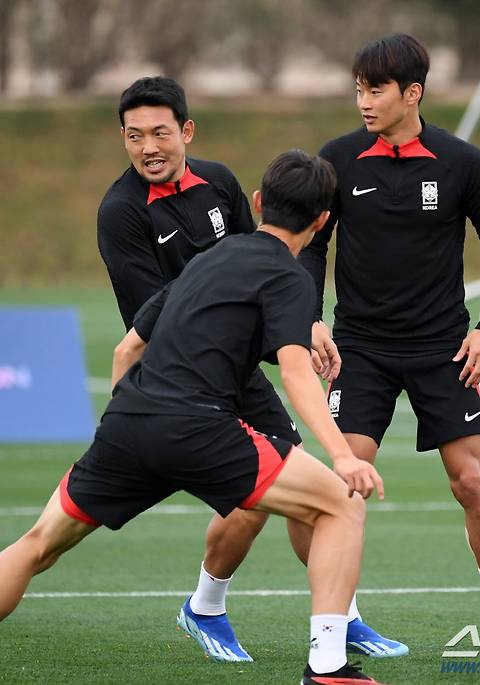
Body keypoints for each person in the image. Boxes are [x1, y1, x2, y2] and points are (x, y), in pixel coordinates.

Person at [0, 150, 388, 685]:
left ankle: (218, 610)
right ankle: (328, 668)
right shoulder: (292, 278)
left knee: (36, 546)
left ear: (256, 202)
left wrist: (128, 430)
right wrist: (344, 457)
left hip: (129, 420)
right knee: (341, 506)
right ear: (324, 221)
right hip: (199, 426)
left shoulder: (209, 257)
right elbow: (297, 374)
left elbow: (126, 351)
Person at [97, 76, 404, 661]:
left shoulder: (218, 183)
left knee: (300, 486)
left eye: (160, 132)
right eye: (135, 137)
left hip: (235, 369)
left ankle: (332, 615)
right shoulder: (120, 213)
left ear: (186, 131)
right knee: (270, 493)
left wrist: (303, 324)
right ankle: (212, 606)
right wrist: (286, 341)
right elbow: (162, 317)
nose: (148, 148)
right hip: (177, 379)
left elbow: (262, 258)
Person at [298, 34, 480, 650]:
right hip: (359, 350)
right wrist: (309, 317)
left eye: (376, 90)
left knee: (471, 482)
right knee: (335, 483)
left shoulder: (461, 161)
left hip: (443, 348)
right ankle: (342, 618)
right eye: (359, 90)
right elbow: (312, 244)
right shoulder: (339, 158)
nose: (364, 102)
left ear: (413, 93)